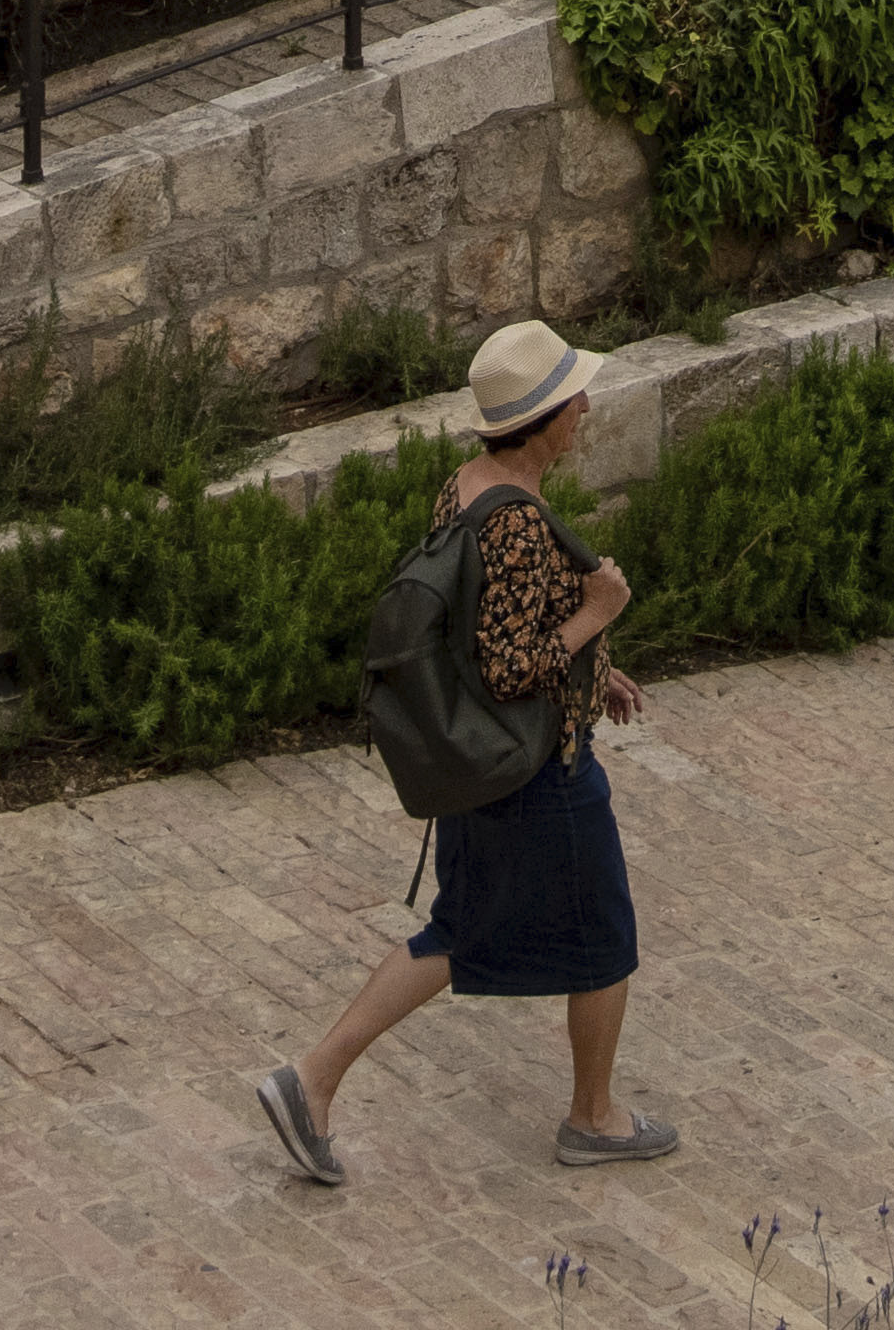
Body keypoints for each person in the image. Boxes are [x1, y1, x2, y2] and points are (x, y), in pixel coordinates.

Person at [254, 319, 668, 1181]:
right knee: (604, 938)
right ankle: (592, 1118)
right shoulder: (520, 524)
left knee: (457, 931)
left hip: (482, 773)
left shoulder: (468, 487)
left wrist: (600, 669)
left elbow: (489, 630)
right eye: (575, 396)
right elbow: (514, 666)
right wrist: (600, 613)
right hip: (539, 775)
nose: (586, 406)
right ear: (548, 418)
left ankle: (312, 1080)